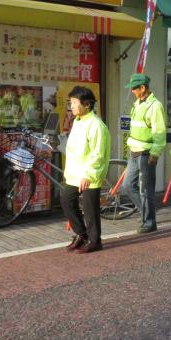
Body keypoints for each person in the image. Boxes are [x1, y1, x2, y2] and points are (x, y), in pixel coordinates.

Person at [61, 86, 110, 254]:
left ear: (87, 104)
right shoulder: (78, 121)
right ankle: (81, 234)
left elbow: (98, 154)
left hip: (90, 174)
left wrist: (89, 174)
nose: (71, 106)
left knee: (90, 209)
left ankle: (95, 241)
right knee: (66, 200)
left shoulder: (96, 125)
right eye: (71, 103)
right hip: (75, 174)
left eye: (74, 103)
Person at [121, 73, 167, 234]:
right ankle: (147, 214)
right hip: (134, 152)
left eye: (135, 88)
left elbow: (160, 132)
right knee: (127, 185)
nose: (132, 91)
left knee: (145, 190)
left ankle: (149, 222)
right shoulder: (138, 103)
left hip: (146, 153)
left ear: (143, 88)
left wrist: (155, 153)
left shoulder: (155, 106)